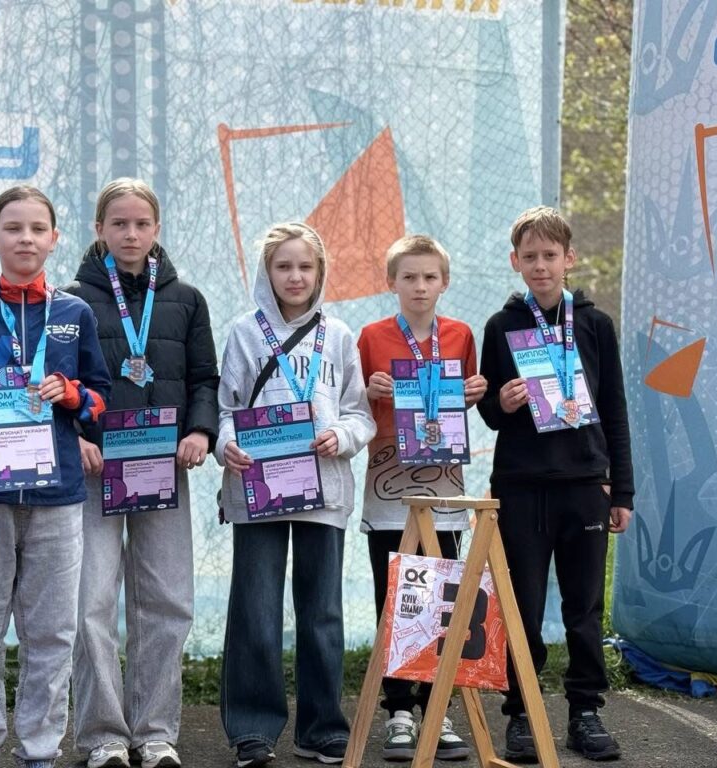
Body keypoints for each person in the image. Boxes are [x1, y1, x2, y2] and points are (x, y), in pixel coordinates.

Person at [0, 186, 111, 768]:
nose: (25, 238)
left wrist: (74, 395)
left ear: (54, 239)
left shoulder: (75, 313)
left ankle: (39, 750)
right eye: (13, 228)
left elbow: (101, 402)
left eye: (37, 229)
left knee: (52, 633)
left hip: (57, 494)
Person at [64, 178, 219, 768]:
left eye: (141, 224)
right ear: (99, 229)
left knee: (167, 601)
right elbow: (59, 385)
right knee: (90, 604)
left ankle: (155, 733)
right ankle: (103, 735)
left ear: (157, 229)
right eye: (119, 223)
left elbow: (204, 378)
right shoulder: (70, 301)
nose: (131, 234)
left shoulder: (187, 300)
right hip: (96, 470)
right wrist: (77, 437)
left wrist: (200, 431)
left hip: (164, 468)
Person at [215, 222, 375, 768]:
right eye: (283, 266)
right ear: (267, 272)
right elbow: (226, 409)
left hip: (324, 488)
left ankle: (321, 728)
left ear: (320, 272)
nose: (295, 276)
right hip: (257, 490)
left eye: (305, 266)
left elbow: (360, 413)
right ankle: (252, 730)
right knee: (256, 610)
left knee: (322, 613)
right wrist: (227, 445)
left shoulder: (339, 335)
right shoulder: (244, 332)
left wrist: (343, 436)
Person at [477, 206, 633, 763]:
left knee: (584, 608)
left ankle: (585, 712)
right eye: (530, 257)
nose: (540, 265)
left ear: (570, 259)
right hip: (521, 486)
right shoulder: (501, 326)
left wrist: (622, 490)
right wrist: (503, 402)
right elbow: (488, 412)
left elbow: (614, 408)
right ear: (515, 262)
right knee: (520, 605)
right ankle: (521, 713)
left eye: (550, 255)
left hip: (585, 485)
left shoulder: (595, 324)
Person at [356, 234, 487, 762]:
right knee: (396, 601)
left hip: (445, 494)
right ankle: (398, 712)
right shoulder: (371, 336)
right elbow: (352, 405)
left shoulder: (460, 335)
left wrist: (473, 395)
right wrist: (368, 392)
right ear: (392, 282)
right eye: (409, 277)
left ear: (444, 282)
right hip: (387, 489)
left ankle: (437, 710)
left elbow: (459, 403)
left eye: (429, 277)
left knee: (441, 601)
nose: (419, 286)